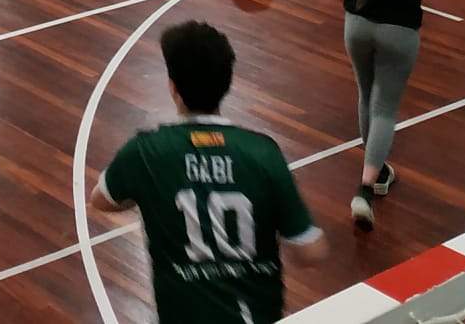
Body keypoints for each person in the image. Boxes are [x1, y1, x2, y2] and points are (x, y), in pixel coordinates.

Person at [89, 20, 325, 322]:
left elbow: (101, 199)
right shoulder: (263, 153)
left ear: (173, 88)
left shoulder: (146, 152)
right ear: (227, 83)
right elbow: (311, 251)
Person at [335, 0, 434, 232]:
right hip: (399, 27)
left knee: (365, 93)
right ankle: (367, 185)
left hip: (356, 24)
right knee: (385, 108)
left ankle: (375, 168)